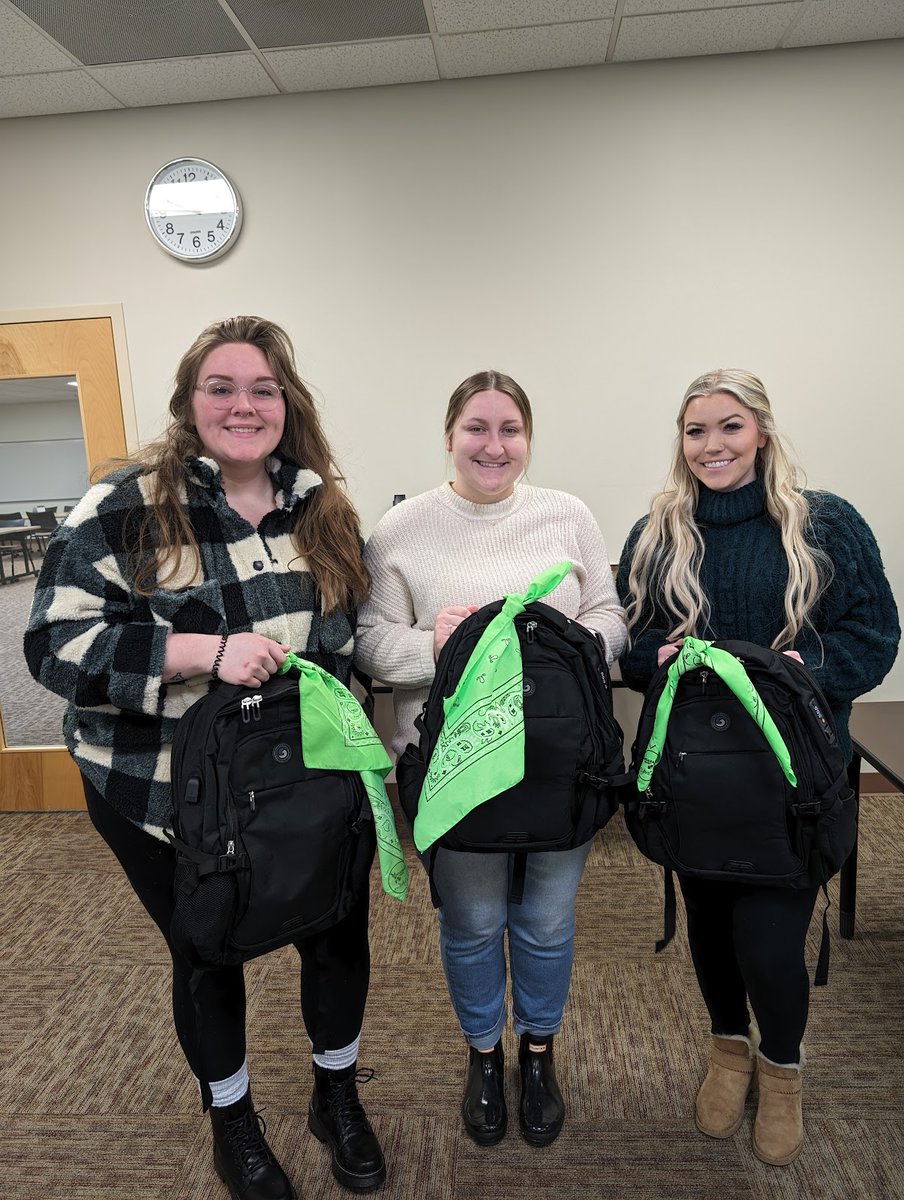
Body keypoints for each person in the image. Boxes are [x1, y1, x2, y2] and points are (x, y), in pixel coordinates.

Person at [24, 316, 388, 1199]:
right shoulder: (126, 504)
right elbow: (52, 648)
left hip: (301, 780)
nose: (243, 404)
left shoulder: (322, 505)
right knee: (209, 952)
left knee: (335, 936)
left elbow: (349, 647)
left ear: (286, 402)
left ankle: (334, 1095)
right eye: (220, 387)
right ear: (190, 402)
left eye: (263, 388)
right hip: (159, 790)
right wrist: (196, 654)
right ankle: (233, 1122)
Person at [616, 368, 899, 1166]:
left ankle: (782, 1069)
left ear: (763, 432)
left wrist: (797, 666)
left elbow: (875, 637)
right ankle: (727, 1050)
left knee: (770, 945)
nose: (713, 446)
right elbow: (630, 650)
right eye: (696, 430)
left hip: (795, 783)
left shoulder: (825, 524)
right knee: (709, 929)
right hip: (694, 781)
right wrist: (657, 656)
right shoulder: (658, 533)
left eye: (730, 427)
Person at [355, 369, 627, 1147]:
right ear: (449, 437)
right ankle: (483, 1054)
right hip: (452, 769)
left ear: (528, 440)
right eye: (477, 428)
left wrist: (568, 645)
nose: (493, 444)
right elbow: (371, 645)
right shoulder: (400, 531)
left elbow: (610, 615)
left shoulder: (566, 516)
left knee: (544, 920)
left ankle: (537, 1052)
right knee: (473, 923)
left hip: (558, 764)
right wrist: (437, 645)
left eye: (510, 429)